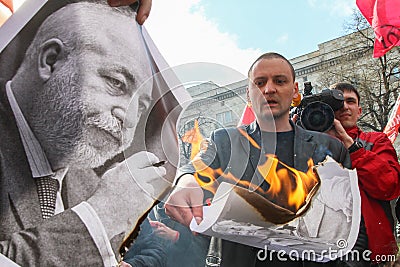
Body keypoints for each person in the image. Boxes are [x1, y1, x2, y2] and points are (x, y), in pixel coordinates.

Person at [0, 2, 167, 266]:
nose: (129, 118)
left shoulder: (94, 186)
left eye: (141, 106)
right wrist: (96, 220)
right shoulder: (105, 201)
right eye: (116, 83)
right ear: (51, 60)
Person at [164, 52, 351, 267]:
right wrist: (185, 182)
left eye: (279, 81)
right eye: (260, 82)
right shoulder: (226, 141)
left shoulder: (330, 148)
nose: (269, 89)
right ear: (248, 94)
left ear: (295, 91)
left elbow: (350, 220)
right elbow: (195, 167)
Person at [327, 82, 400, 265]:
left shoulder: (376, 141)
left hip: (368, 245)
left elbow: (389, 186)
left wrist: (352, 148)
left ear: (359, 111)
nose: (344, 106)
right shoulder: (313, 143)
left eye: (350, 101)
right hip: (323, 242)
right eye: (338, 102)